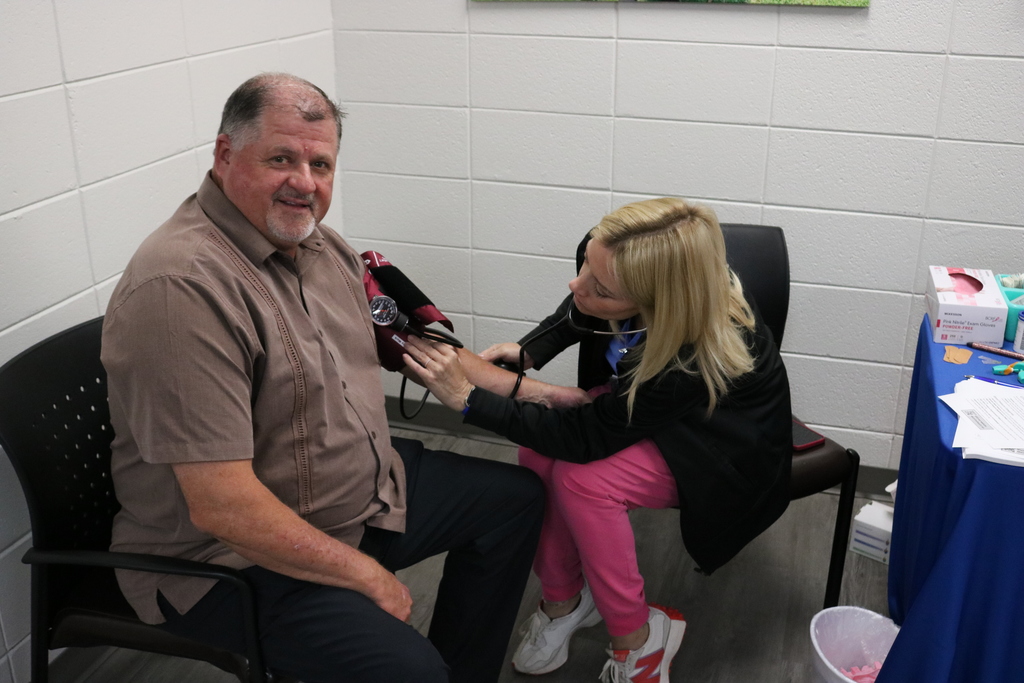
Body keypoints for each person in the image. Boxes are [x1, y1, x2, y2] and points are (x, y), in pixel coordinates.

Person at [100, 72, 545, 683]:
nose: (304, 184)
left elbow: (416, 346)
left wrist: (552, 395)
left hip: (358, 495)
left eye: (321, 164)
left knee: (514, 502)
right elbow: (222, 507)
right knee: (407, 670)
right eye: (281, 158)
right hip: (233, 557)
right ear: (225, 155)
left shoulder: (320, 247)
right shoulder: (183, 289)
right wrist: (366, 575)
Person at [403, 198, 793, 683]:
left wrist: (468, 398)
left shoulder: (684, 359)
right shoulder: (620, 263)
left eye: (601, 288)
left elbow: (586, 439)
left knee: (582, 478)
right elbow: (579, 306)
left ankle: (638, 637)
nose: (576, 283)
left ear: (658, 304)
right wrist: (533, 350)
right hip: (646, 405)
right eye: (586, 262)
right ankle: (564, 601)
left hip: (717, 448)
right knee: (537, 450)